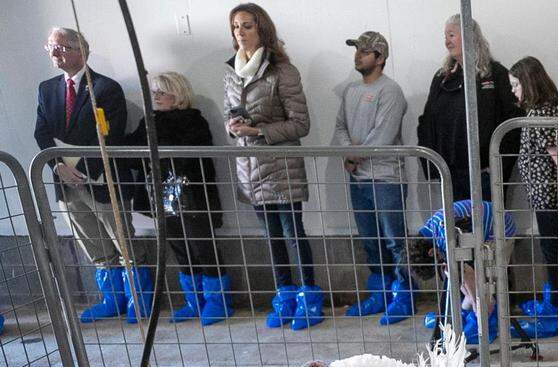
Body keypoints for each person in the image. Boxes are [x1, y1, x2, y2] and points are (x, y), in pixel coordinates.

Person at [35, 27, 153, 324]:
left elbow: (107, 134)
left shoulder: (105, 87)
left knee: (122, 239)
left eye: (60, 47)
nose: (54, 52)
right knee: (92, 242)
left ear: (81, 50)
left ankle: (140, 301)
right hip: (65, 181)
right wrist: (58, 167)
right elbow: (42, 132)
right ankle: (111, 298)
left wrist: (82, 171)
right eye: (51, 46)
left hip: (103, 179)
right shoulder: (47, 89)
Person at [224, 3, 320, 331]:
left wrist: (258, 131)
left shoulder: (282, 70)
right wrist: (233, 126)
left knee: (293, 234)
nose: (240, 32)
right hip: (249, 166)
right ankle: (285, 297)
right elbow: (228, 111)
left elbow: (300, 124)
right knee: (271, 236)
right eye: (236, 26)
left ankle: (310, 298)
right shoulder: (232, 71)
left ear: (262, 29)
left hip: (281, 166)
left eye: (247, 26)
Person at [127, 71, 233, 326]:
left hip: (192, 195)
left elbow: (194, 155)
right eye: (154, 92)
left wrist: (162, 153)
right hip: (161, 196)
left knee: (202, 246)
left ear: (178, 94)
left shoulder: (193, 120)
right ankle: (193, 302)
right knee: (178, 247)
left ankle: (218, 301)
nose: (157, 97)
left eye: (162, 92)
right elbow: (133, 152)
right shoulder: (148, 122)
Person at [334, 31, 413, 326]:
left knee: (395, 240)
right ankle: (380, 294)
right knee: (370, 240)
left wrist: (353, 157)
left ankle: (404, 295)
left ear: (380, 58)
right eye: (356, 50)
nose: (358, 55)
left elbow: (383, 133)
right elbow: (340, 127)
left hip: (386, 178)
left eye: (365, 51)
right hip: (359, 179)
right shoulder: (351, 91)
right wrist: (349, 154)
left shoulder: (390, 91)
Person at [508, 55, 558, 338]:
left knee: (553, 252)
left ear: (529, 83)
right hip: (543, 195)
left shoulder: (542, 114)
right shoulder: (539, 112)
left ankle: (557, 309)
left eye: (516, 85)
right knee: (552, 250)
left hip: (549, 194)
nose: (514, 91)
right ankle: (553, 301)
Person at [417, 15, 521, 202]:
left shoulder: (495, 74)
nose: (447, 42)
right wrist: (433, 166)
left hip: (486, 174)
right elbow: (427, 121)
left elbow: (513, 122)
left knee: (487, 227)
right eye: (445, 36)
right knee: (457, 228)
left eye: (451, 35)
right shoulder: (442, 77)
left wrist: (499, 165)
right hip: (449, 173)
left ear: (469, 36)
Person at [409, 200, 517, 344]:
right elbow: (456, 274)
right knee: (458, 277)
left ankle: (485, 322)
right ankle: (466, 313)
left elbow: (467, 274)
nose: (440, 263)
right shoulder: (430, 232)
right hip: (484, 228)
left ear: (431, 252)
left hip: (500, 232)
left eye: (437, 262)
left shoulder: (444, 236)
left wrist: (477, 301)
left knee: (486, 286)